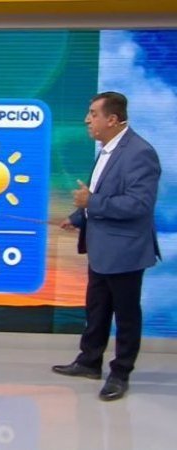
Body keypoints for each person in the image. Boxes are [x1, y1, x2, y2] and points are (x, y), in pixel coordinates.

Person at [53, 91, 161, 401]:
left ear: (112, 119)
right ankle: (89, 361)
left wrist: (91, 203)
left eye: (93, 114)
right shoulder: (106, 150)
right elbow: (101, 194)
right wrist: (78, 217)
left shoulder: (140, 153)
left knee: (125, 315)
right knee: (97, 308)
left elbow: (139, 204)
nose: (87, 120)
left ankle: (120, 373)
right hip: (101, 249)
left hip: (125, 251)